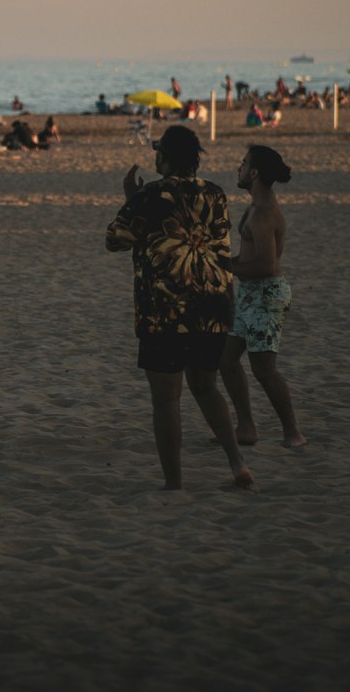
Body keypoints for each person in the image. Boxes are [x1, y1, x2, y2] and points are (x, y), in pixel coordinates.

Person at [105, 125, 254, 491]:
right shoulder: (216, 194)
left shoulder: (150, 196)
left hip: (165, 308)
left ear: (165, 157)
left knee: (167, 399)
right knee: (205, 387)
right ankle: (237, 464)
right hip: (215, 304)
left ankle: (174, 483)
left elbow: (115, 239)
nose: (155, 155)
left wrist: (130, 199)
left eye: (158, 150)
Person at [219, 145, 306, 448]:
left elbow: (266, 266)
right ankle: (246, 428)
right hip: (249, 295)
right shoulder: (254, 207)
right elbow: (249, 257)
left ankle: (292, 433)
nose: (238, 168)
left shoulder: (264, 213)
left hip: (266, 295)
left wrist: (226, 265)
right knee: (226, 359)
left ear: (254, 173)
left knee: (264, 369)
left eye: (243, 164)